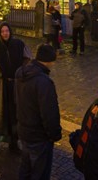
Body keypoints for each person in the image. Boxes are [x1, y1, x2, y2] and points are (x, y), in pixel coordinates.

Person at [15, 44, 62, 180]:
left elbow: (16, 100)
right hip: (39, 136)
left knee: (26, 167)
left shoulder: (21, 73)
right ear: (49, 61)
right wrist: (54, 134)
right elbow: (49, 113)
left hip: (24, 130)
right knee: (40, 172)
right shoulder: (44, 82)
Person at [0, 22, 32, 152]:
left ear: (10, 32)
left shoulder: (18, 44)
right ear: (0, 33)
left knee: (14, 113)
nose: (5, 33)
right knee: (0, 113)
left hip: (15, 85)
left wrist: (22, 72)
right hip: (1, 85)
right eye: (2, 32)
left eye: (7, 31)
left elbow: (28, 58)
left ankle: (14, 142)